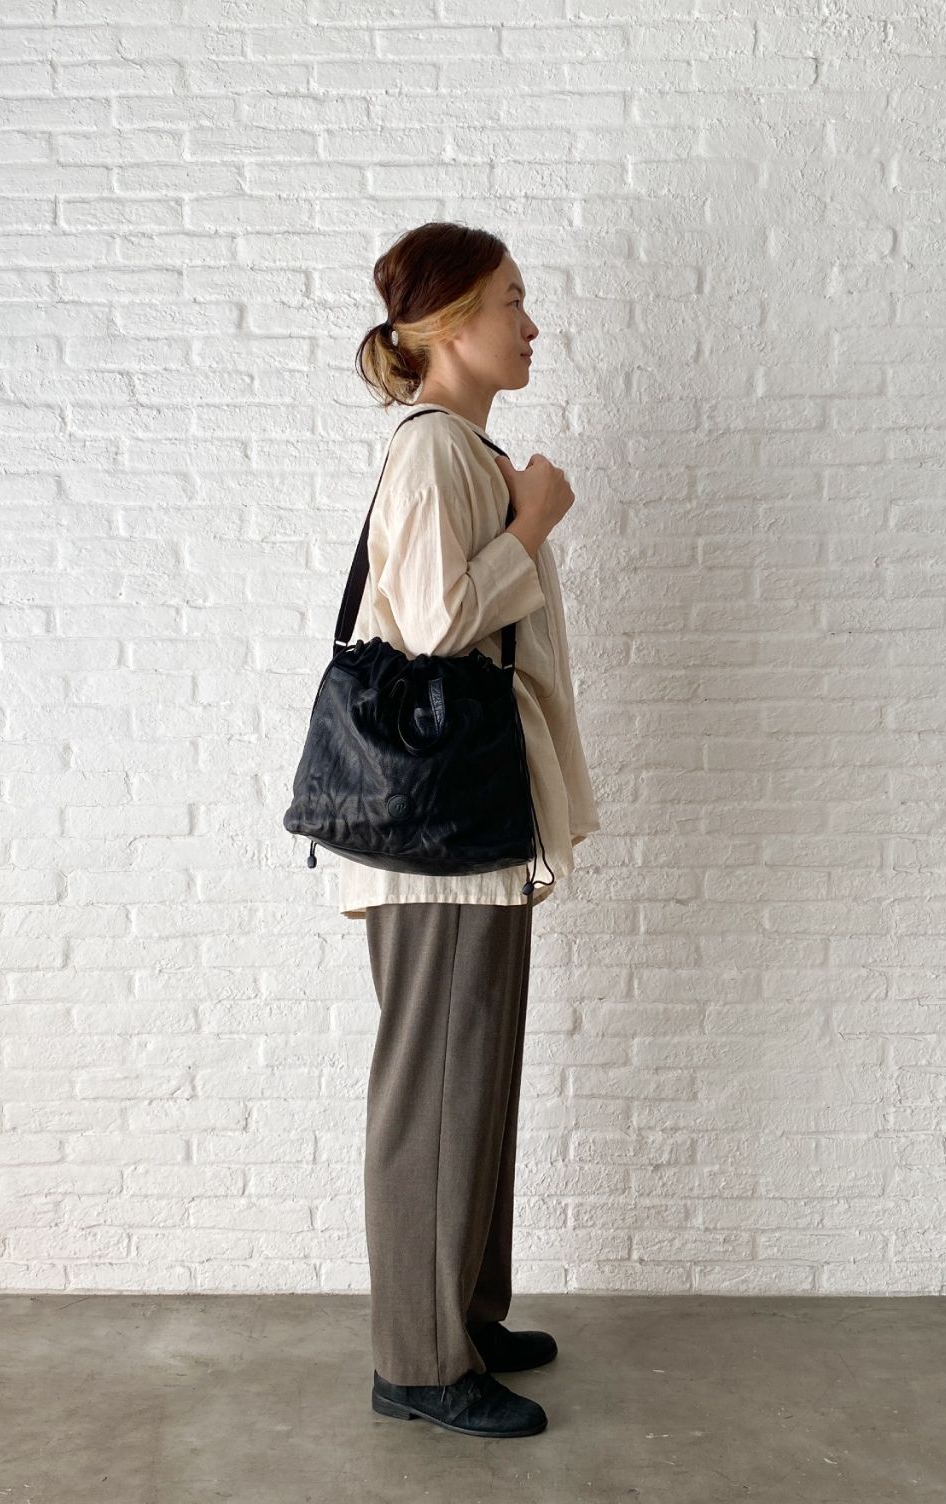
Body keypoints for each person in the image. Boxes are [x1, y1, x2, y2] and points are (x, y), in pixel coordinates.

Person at [345, 221, 601, 1439]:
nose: (530, 324)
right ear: (449, 323)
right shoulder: (431, 452)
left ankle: (460, 1316)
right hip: (435, 833)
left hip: (472, 823)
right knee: (433, 1093)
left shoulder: (466, 450)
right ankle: (416, 1358)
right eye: (510, 300)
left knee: (475, 1081)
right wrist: (530, 522)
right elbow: (436, 621)